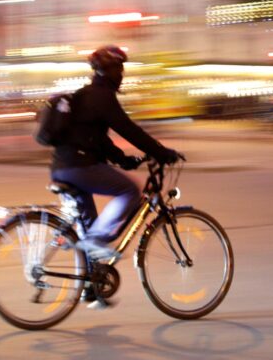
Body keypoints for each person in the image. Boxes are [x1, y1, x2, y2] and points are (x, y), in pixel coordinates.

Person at [51, 45, 180, 263]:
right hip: (80, 167)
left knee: (90, 231)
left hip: (62, 168)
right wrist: (161, 152)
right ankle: (95, 242)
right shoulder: (102, 97)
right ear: (109, 71)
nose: (121, 74)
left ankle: (90, 287)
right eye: (119, 69)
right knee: (129, 190)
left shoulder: (86, 94)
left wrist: (123, 160)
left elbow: (98, 139)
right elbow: (129, 130)